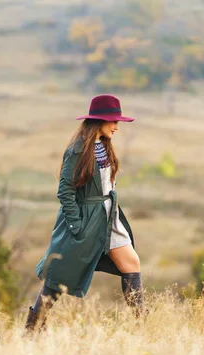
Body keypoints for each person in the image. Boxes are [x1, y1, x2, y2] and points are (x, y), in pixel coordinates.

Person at [24, 94, 143, 333]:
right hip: (85, 221)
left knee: (132, 262)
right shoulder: (78, 149)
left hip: (109, 218)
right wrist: (76, 226)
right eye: (113, 121)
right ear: (99, 120)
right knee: (58, 277)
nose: (117, 127)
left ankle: (141, 327)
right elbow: (65, 189)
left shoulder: (104, 146)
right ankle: (33, 328)